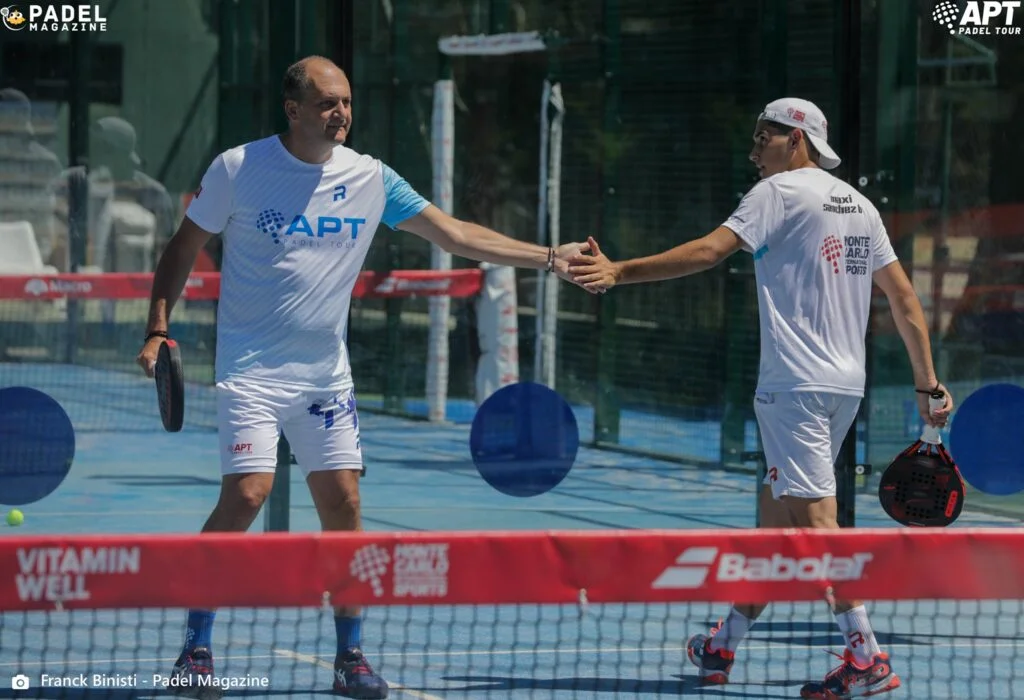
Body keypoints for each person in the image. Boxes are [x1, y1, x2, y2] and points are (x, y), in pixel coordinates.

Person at [136, 55, 592, 700]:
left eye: (346, 102)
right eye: (327, 103)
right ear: (293, 110)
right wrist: (158, 326)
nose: (341, 113)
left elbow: (455, 233)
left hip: (326, 378)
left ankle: (351, 657)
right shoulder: (239, 168)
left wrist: (548, 256)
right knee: (246, 496)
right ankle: (196, 648)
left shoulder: (372, 178)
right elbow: (182, 248)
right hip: (251, 372)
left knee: (346, 508)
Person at [568, 97, 952, 699]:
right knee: (777, 530)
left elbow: (708, 251)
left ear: (796, 139)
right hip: (842, 388)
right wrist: (928, 385)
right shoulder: (861, 205)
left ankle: (866, 656)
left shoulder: (777, 194)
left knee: (818, 527)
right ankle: (724, 644)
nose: (754, 149)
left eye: (763, 136)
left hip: (793, 388)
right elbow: (905, 303)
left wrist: (621, 272)